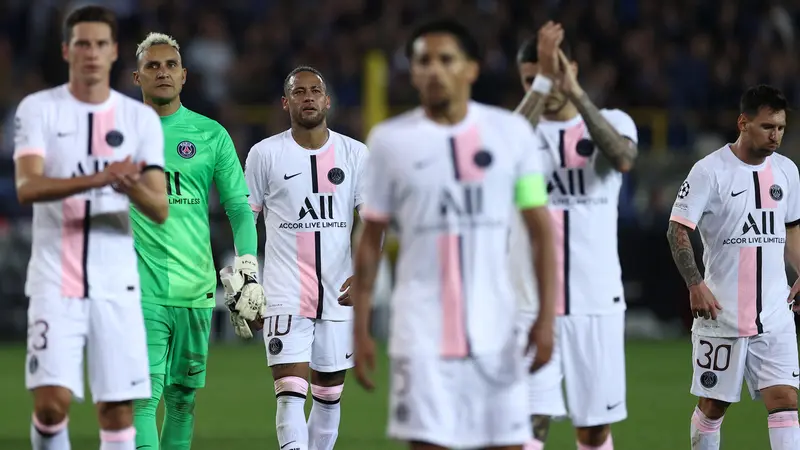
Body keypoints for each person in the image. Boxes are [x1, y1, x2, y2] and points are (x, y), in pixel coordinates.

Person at [351, 18, 557, 450]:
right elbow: (372, 238)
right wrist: (361, 326)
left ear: (471, 69)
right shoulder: (389, 141)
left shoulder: (511, 134)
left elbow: (541, 230)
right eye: (423, 60)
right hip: (420, 334)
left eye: (446, 59)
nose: (434, 70)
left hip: (497, 329)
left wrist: (544, 318)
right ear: (411, 71)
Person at [14, 6, 168, 450]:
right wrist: (100, 178)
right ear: (67, 50)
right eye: (82, 43)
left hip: (116, 284)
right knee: (50, 404)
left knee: (118, 410)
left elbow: (159, 206)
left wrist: (129, 184)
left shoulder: (138, 120)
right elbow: (28, 186)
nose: (92, 53)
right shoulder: (39, 109)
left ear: (115, 51)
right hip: (53, 280)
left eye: (101, 44)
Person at [507, 22, 640, 450]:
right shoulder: (515, 132)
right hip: (530, 306)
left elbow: (622, 158)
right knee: (530, 422)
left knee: (593, 429)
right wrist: (544, 81)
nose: (544, 87)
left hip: (596, 302)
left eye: (550, 74)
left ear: (574, 69)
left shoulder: (614, 121)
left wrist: (576, 92)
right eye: (531, 79)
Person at [129, 32, 263, 450]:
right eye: (153, 66)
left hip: (196, 289)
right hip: (138, 288)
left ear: (184, 76)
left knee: (183, 401)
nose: (162, 72)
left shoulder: (210, 135)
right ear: (137, 78)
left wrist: (248, 265)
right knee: (142, 399)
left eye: (170, 65)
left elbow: (240, 209)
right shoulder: (118, 134)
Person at [667, 85, 800, 450]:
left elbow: (791, 229)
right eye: (767, 127)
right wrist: (694, 283)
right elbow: (677, 229)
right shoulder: (709, 171)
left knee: (785, 400)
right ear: (743, 123)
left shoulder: (787, 172)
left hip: (775, 314)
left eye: (781, 128)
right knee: (713, 406)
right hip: (722, 314)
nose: (776, 136)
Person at [244, 65, 367, 450]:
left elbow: (370, 219)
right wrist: (247, 275)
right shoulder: (264, 154)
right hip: (284, 290)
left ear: (328, 101)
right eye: (299, 91)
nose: (308, 97)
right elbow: (245, 218)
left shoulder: (355, 153)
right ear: (286, 102)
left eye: (316, 90)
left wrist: (365, 271)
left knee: (329, 396)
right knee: (290, 392)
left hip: (339, 290)